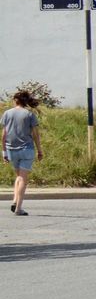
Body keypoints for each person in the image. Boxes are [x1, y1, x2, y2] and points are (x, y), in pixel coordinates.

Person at [4, 89, 42, 217]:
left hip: (11, 149)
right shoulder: (29, 115)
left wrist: (4, 151)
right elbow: (36, 135)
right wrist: (40, 150)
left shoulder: (7, 113)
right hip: (26, 149)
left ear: (15, 100)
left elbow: (4, 134)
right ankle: (18, 208)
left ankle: (15, 200)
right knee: (23, 180)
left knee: (18, 176)